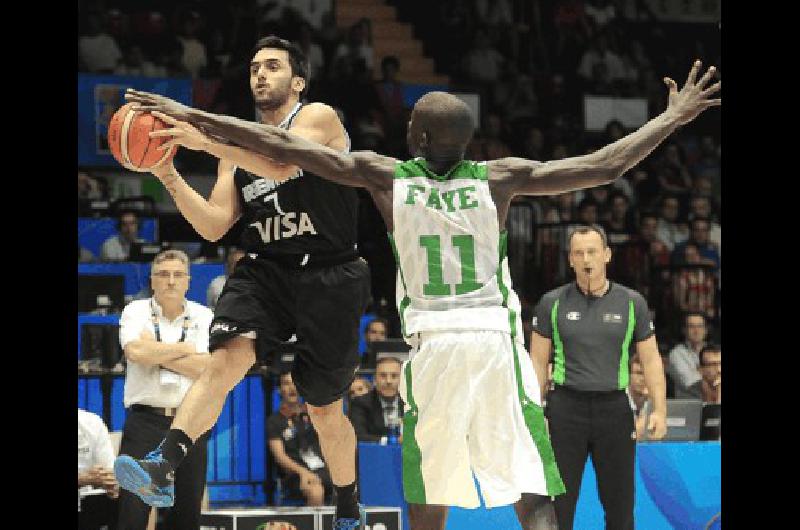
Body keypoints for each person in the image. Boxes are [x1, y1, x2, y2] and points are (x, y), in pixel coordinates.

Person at [132, 59, 719, 530]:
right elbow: (603, 165)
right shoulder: (500, 177)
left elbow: (281, 150)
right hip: (494, 342)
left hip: (433, 347)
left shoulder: (386, 175)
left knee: (429, 488)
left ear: (419, 135)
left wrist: (191, 116)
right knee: (529, 487)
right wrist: (671, 119)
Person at [117, 36, 371, 530]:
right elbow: (215, 224)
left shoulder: (318, 118)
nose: (260, 74)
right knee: (226, 358)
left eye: (272, 67)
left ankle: (347, 507)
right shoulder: (233, 148)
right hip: (268, 268)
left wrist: (206, 140)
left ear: (297, 82)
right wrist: (168, 173)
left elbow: (280, 164)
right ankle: (160, 467)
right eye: (254, 67)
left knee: (324, 411)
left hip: (331, 273)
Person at [531, 225, 669, 530]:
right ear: (570, 260)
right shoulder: (551, 302)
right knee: (558, 508)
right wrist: (534, 410)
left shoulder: (633, 303)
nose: (586, 259)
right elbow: (537, 363)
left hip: (614, 410)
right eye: (579, 253)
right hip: (565, 409)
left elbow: (651, 360)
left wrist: (659, 409)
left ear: (607, 255)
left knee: (620, 508)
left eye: (592, 251)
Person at [115, 250, 214, 530]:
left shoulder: (204, 315)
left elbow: (208, 368)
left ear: (188, 281)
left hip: (190, 424)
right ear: (152, 280)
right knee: (133, 512)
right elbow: (135, 351)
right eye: (163, 274)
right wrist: (184, 350)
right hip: (145, 422)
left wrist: (157, 353)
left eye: (177, 275)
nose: (170, 281)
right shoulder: (135, 310)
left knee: (187, 514)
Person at [267, 371, 333, 506]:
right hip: (295, 474)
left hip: (321, 468)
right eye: (286, 384)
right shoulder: (274, 421)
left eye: (296, 383)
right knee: (315, 490)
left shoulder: (314, 414)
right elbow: (280, 456)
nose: (292, 387)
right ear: (279, 389)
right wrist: (303, 473)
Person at [79, 408, 119, 530]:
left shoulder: (92, 422)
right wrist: (82, 479)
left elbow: (110, 472)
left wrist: (111, 484)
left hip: (91, 504)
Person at [348, 357, 405, 443]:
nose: (388, 381)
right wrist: (392, 441)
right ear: (374, 378)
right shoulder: (360, 403)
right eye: (383, 375)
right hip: (373, 453)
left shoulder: (413, 403)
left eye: (394, 376)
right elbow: (358, 436)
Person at [666, 312, 708, 399]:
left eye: (700, 326)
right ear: (684, 330)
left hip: (714, 404)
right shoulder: (676, 354)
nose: (696, 331)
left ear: (705, 330)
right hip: (689, 407)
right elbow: (692, 384)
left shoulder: (715, 352)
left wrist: (700, 372)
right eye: (692, 326)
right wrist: (711, 376)